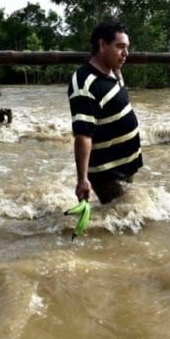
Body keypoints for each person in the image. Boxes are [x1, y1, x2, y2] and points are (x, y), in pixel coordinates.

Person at [67, 21, 143, 204]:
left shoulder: (113, 70)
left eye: (127, 48)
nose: (126, 54)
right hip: (107, 173)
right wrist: (82, 180)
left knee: (124, 218)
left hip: (124, 166)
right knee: (123, 223)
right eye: (120, 47)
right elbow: (83, 134)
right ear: (102, 45)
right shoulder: (85, 83)